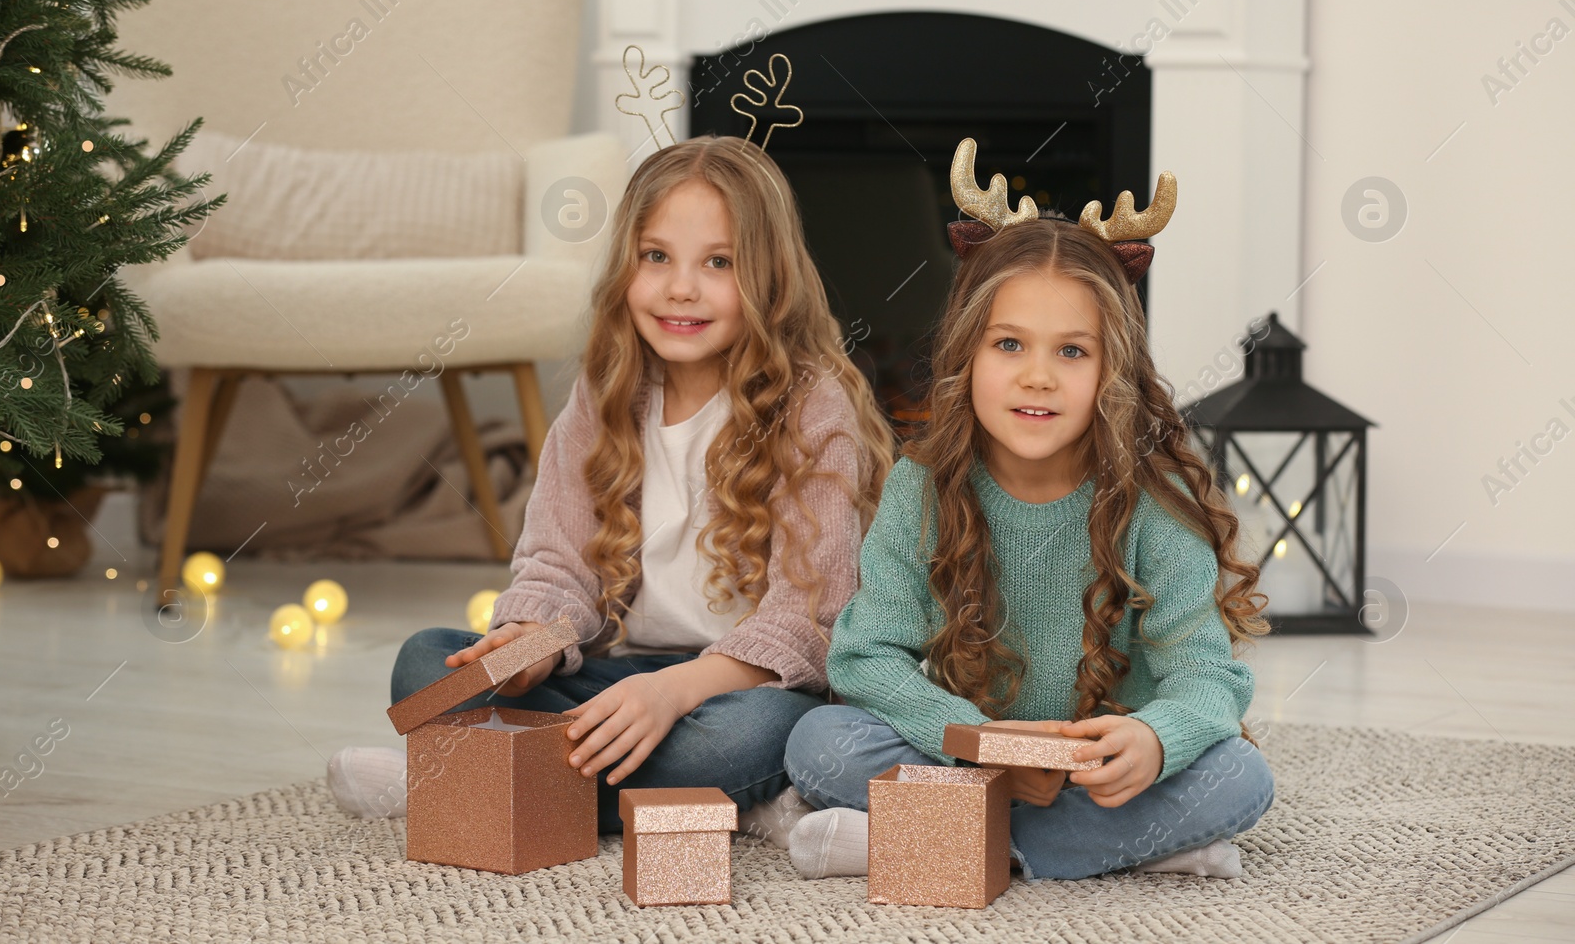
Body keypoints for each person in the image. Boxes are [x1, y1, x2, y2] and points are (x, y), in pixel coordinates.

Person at [328, 135, 896, 833]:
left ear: (771, 277)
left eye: (718, 262)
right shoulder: (607, 393)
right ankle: (708, 806)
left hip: (740, 690)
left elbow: (808, 619)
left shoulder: (812, 405)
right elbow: (559, 566)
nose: (680, 287)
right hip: (624, 678)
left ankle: (459, 782)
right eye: (656, 257)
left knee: (749, 736)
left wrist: (674, 691)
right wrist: (527, 646)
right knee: (426, 663)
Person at [783, 176, 1276, 882]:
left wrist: (1153, 739)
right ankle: (1131, 847)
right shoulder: (919, 488)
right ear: (966, 353)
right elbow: (866, 660)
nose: (1037, 376)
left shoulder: (1154, 503)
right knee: (817, 743)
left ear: (1115, 368)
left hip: (1096, 771)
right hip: (973, 755)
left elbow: (1203, 676)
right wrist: (976, 743)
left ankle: (928, 841)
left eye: (1072, 351)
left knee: (1240, 776)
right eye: (1009, 344)